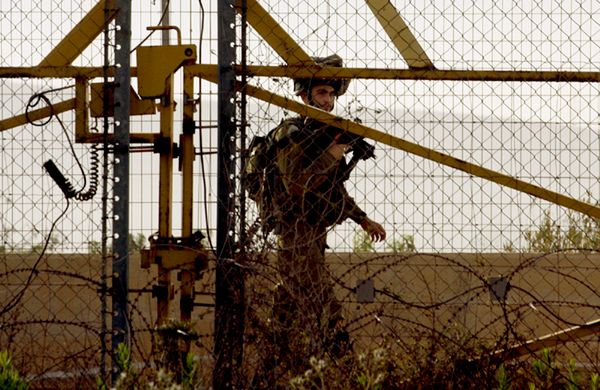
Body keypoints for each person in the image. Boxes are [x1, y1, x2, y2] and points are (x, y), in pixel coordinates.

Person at [265, 54, 386, 363]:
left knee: (289, 295)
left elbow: (332, 187)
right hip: (294, 229)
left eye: (331, 94)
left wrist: (362, 219)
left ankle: (275, 360)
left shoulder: (325, 134)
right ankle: (342, 360)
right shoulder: (290, 133)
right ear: (304, 94)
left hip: (314, 229)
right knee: (321, 296)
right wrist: (336, 150)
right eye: (321, 92)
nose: (328, 100)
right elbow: (297, 183)